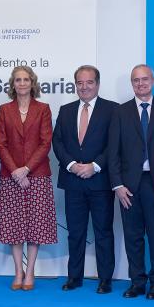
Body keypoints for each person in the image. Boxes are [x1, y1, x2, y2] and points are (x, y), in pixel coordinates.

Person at [107, 64, 154, 299]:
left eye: (145, 79)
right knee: (133, 236)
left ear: (153, 81)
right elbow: (112, 151)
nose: (141, 84)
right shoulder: (120, 112)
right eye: (136, 80)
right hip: (128, 186)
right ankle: (137, 282)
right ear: (132, 83)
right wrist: (117, 185)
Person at [53, 65, 119, 293]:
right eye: (80, 83)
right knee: (75, 232)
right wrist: (72, 165)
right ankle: (74, 277)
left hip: (100, 181)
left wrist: (95, 166)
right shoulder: (66, 110)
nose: (84, 87)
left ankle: (105, 280)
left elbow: (114, 144)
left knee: (103, 231)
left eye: (89, 82)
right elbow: (58, 142)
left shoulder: (112, 110)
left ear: (97, 84)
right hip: (73, 182)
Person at [0, 65, 57, 290]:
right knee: (15, 227)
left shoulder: (43, 109)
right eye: (18, 80)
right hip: (10, 176)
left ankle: (30, 272)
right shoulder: (4, 109)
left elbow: (45, 142)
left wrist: (27, 169)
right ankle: (18, 272)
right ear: (13, 84)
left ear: (32, 83)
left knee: (35, 226)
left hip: (37, 175)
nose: (22, 83)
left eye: (26, 79)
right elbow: (0, 144)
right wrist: (15, 171)